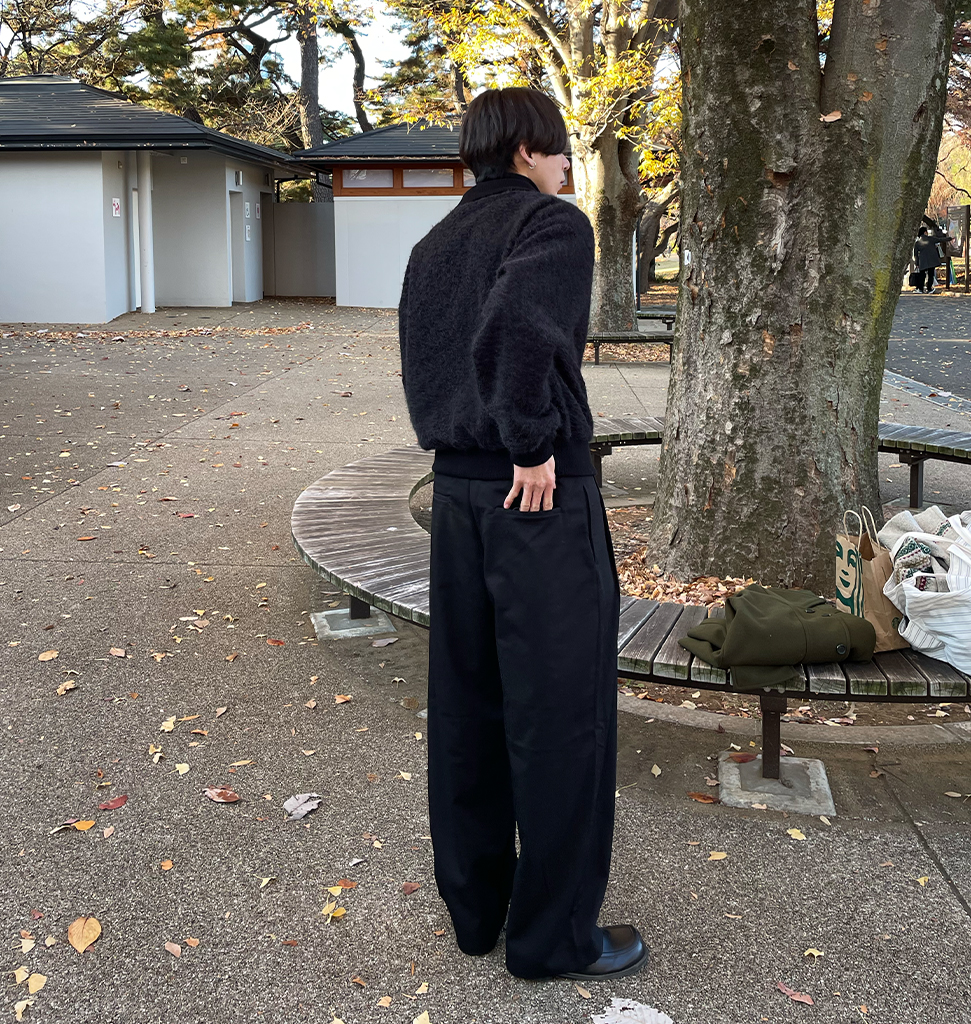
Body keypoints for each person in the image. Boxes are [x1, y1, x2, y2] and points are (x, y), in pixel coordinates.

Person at [397, 87, 648, 982]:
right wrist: (532, 442)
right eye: (560, 148)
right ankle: (553, 939)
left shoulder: (434, 243)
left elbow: (429, 362)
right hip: (534, 496)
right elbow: (515, 328)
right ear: (526, 149)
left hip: (457, 495)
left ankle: (476, 912)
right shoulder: (552, 224)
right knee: (561, 714)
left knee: (468, 705)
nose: (569, 165)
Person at [913, 218, 952, 293]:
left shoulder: (917, 243)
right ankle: (929, 288)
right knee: (931, 275)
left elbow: (916, 254)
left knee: (922, 275)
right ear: (925, 232)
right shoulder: (931, 239)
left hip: (922, 261)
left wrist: (917, 263)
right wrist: (950, 238)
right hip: (931, 260)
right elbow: (941, 239)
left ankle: (920, 289)